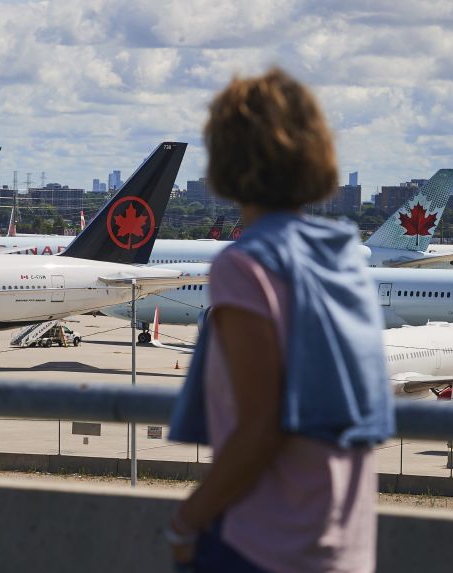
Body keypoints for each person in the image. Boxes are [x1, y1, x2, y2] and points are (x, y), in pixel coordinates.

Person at [167, 68, 394, 573]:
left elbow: (260, 429)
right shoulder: (347, 256)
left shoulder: (245, 265)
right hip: (346, 544)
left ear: (225, 160)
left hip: (262, 545)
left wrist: (185, 521)